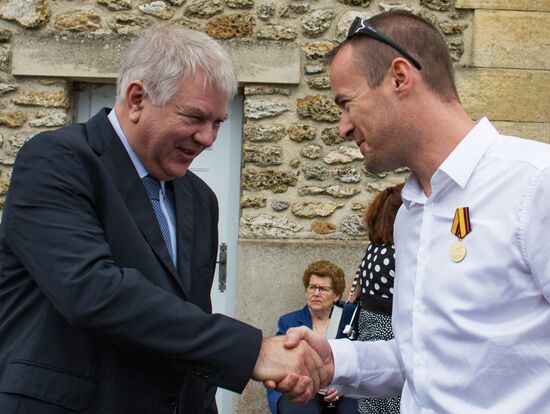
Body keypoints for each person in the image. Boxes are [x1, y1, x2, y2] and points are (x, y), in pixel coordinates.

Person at [0, 26, 327, 413]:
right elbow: (92, 292)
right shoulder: (57, 161)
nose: (208, 139)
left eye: (219, 122)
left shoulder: (200, 198)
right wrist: (252, 350)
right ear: (138, 98)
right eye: (195, 117)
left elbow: (190, 322)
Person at [279, 10, 550, 413]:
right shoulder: (410, 214)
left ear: (400, 78)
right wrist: (334, 360)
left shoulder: (534, 184)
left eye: (347, 104)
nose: (342, 127)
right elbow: (420, 359)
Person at [268, 260, 357, 414]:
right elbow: (279, 364)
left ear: (336, 295)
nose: (316, 293)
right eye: (312, 287)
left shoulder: (349, 317)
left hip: (343, 388)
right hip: (303, 386)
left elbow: (359, 360)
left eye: (323, 289)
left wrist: (343, 388)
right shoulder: (290, 322)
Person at [346, 183, 403, 414]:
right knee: (395, 402)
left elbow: (353, 293)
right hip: (391, 333)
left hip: (368, 329)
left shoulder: (372, 250)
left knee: (372, 400)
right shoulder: (400, 253)